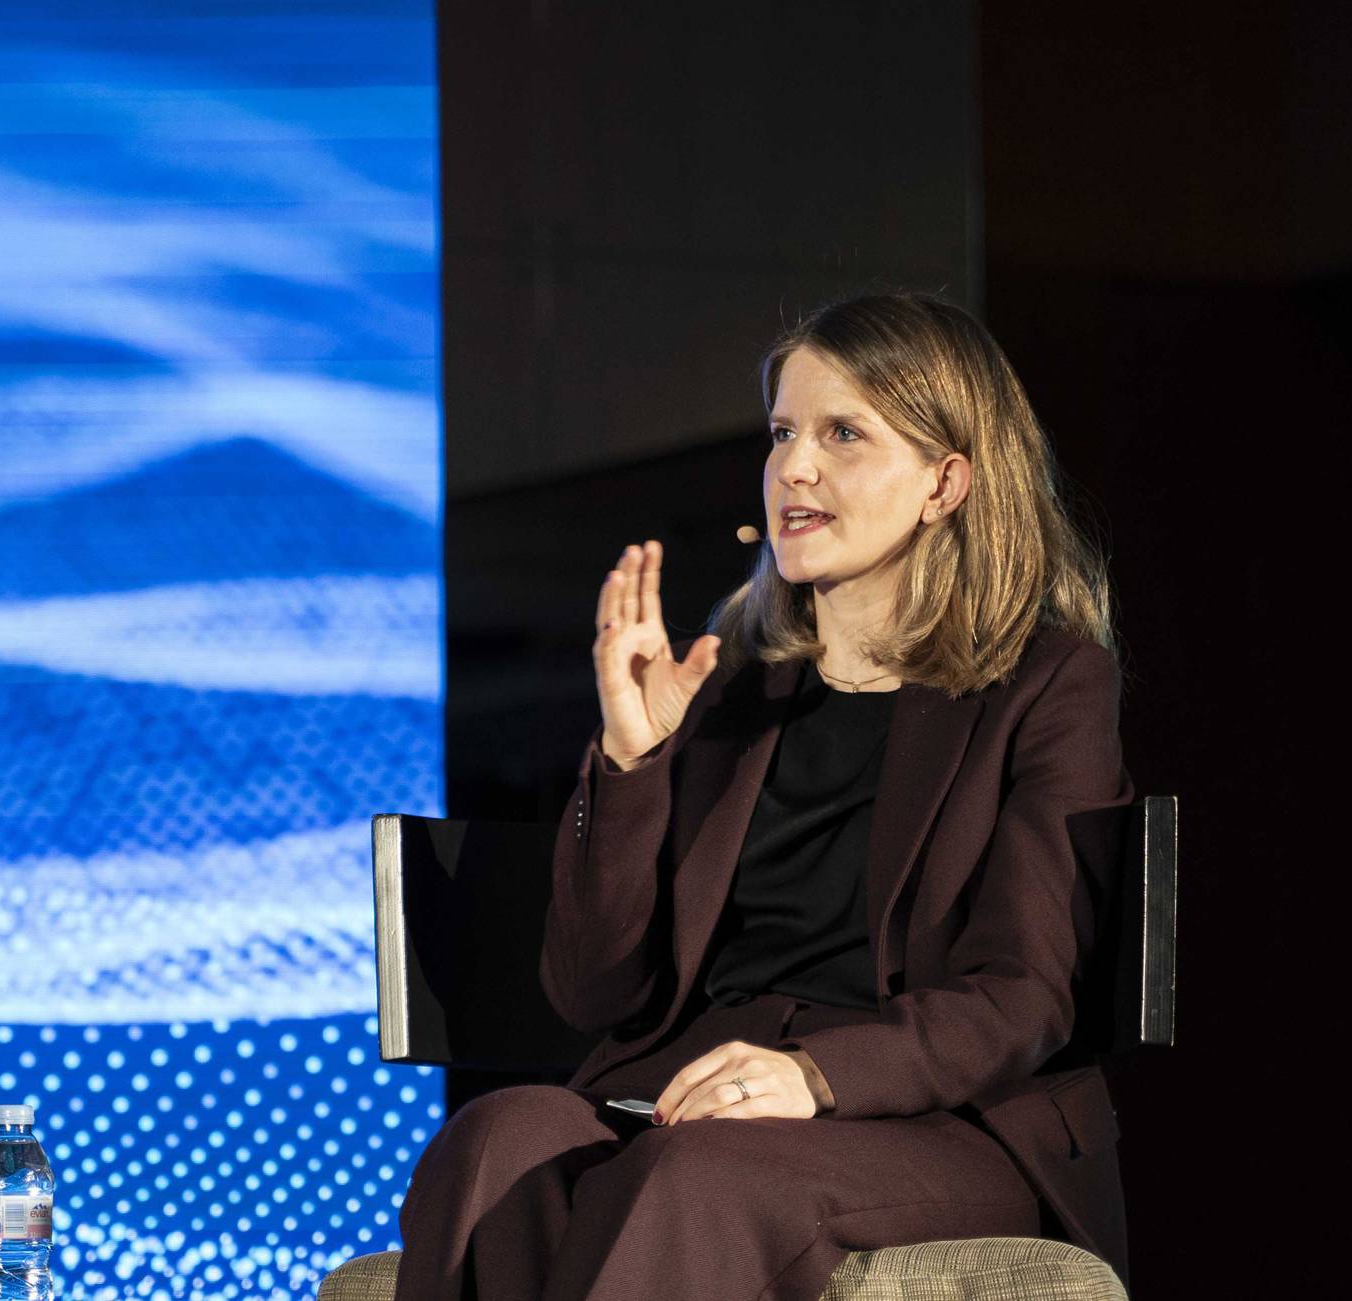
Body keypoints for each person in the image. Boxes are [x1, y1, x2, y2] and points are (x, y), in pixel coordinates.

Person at [394, 294, 1132, 1300]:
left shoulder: (1046, 686)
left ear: (945, 482)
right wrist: (631, 761)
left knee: (692, 1177)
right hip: (699, 1095)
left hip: (931, 1120)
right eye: (783, 433)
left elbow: (1021, 994)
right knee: (496, 1136)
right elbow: (594, 992)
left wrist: (816, 1074)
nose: (794, 467)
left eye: (842, 434)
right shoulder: (731, 688)